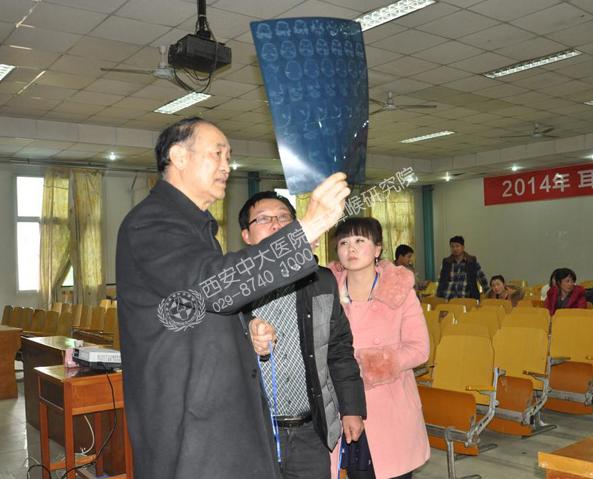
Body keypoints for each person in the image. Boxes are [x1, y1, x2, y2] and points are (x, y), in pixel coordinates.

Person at [116, 117, 350, 479]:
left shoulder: (194, 227)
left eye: (229, 156)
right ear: (178, 157)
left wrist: (244, 329)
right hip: (190, 426)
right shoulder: (152, 222)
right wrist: (309, 227)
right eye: (217, 154)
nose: (227, 165)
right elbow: (213, 285)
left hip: (211, 418)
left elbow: (193, 303)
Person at [239, 191, 366, 479]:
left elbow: (339, 349)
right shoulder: (233, 289)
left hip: (309, 431)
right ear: (246, 235)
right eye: (264, 219)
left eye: (284, 217)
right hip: (252, 432)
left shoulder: (321, 280)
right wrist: (246, 336)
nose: (276, 224)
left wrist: (352, 409)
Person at [329, 217, 430, 479]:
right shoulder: (326, 292)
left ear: (377, 249)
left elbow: (420, 348)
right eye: (344, 242)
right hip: (341, 405)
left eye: (360, 240)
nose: (351, 248)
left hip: (390, 406)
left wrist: (374, 364)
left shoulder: (399, 290)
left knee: (392, 473)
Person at [436, 235, 488, 300]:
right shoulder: (446, 262)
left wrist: (489, 293)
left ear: (463, 247)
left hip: (467, 298)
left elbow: (482, 279)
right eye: (452, 246)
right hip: (448, 298)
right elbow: (440, 281)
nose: (455, 249)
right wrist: (438, 295)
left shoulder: (472, 262)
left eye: (457, 246)